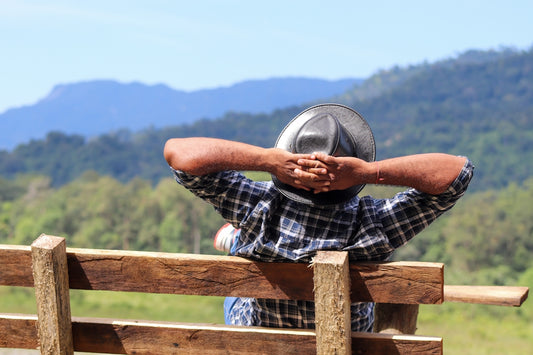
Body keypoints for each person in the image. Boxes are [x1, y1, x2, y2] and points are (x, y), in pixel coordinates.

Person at [163, 103, 474, 332]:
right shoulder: (373, 225)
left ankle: (237, 240)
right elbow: (458, 173)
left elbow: (178, 154)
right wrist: (367, 172)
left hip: (259, 341)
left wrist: (268, 160)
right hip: (345, 346)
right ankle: (239, 240)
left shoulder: (257, 206)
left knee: (239, 282)